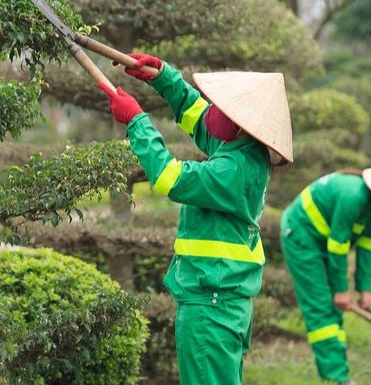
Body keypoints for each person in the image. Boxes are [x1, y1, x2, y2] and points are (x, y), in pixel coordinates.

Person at [97, 53, 293, 385]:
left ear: (242, 121)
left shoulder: (232, 170)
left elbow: (169, 178)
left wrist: (137, 122)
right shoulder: (243, 148)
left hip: (211, 306)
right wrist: (161, 76)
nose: (212, 109)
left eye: (220, 106)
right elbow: (197, 115)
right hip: (222, 302)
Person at [279, 165, 371, 384]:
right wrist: (341, 290)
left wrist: (364, 290)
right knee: (321, 308)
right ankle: (337, 378)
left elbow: (369, 246)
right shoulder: (353, 195)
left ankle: (338, 372)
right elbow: (339, 244)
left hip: (325, 241)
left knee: (333, 309)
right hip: (301, 236)